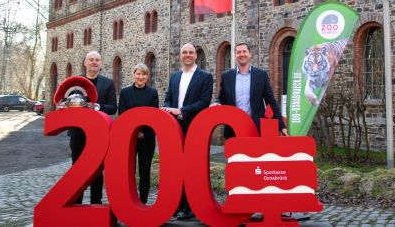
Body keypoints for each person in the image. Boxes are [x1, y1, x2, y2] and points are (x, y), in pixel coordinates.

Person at [163, 43, 213, 220]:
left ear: (196, 55)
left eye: (191, 52)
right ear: (180, 56)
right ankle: (178, 204)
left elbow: (204, 102)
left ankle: (191, 206)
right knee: (177, 167)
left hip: (194, 126)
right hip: (174, 127)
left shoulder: (205, 76)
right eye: (184, 52)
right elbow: (168, 97)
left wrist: (182, 110)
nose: (187, 55)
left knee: (192, 167)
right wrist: (169, 109)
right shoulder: (175, 76)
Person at [68, 51, 117, 204]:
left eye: (97, 60)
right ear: (85, 63)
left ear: (100, 63)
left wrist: (98, 106)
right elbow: (67, 104)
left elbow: (113, 108)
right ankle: (76, 202)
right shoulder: (75, 83)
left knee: (97, 170)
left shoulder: (108, 83)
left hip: (99, 133)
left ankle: (96, 203)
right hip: (78, 133)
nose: (94, 62)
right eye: (91, 60)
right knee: (77, 169)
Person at [215, 42, 287, 137]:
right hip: (233, 128)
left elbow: (271, 101)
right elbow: (222, 98)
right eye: (238, 52)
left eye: (244, 51)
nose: (241, 54)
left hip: (255, 127)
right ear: (235, 55)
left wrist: (281, 126)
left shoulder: (261, 75)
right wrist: (217, 103)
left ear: (250, 54)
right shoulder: (227, 76)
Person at [117, 63, 159, 205]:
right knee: (129, 170)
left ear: (147, 77)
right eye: (138, 74)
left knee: (144, 171)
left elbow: (154, 116)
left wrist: (143, 132)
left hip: (147, 138)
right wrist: (135, 131)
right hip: (130, 137)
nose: (141, 77)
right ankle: (129, 200)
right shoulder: (125, 92)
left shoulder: (153, 93)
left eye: (144, 74)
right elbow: (122, 113)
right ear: (134, 75)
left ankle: (143, 201)